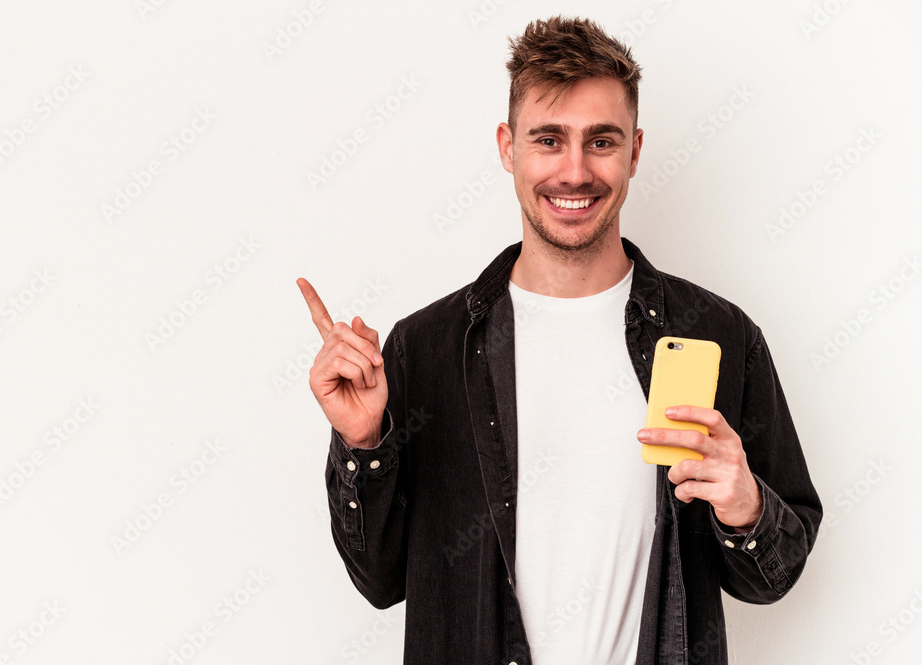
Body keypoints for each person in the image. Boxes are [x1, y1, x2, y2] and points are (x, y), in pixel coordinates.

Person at [298, 15, 821, 665]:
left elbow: (773, 577)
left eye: (600, 141)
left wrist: (746, 507)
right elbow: (379, 581)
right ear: (508, 147)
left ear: (634, 151)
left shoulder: (718, 336)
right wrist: (362, 443)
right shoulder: (424, 348)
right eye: (549, 139)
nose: (575, 172)